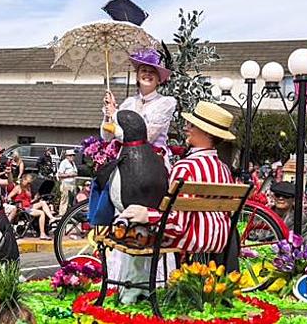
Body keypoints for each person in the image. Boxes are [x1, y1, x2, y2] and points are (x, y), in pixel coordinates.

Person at [122, 101, 238, 256]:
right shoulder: (223, 169)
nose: (186, 128)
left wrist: (146, 215)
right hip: (220, 238)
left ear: (208, 133)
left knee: (128, 233)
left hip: (192, 239)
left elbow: (178, 225)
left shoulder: (185, 167)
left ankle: (137, 280)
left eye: (192, 125)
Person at [101, 48, 177, 158]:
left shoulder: (165, 103)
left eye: (152, 72)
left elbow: (146, 138)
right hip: (126, 158)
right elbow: (107, 137)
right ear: (137, 76)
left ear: (159, 80)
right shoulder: (129, 103)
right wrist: (108, 114)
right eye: (143, 70)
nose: (147, 74)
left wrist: (115, 114)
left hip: (153, 160)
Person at [9, 172, 57, 240]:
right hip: (22, 208)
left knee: (42, 202)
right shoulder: (18, 188)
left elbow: (29, 201)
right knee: (41, 213)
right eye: (28, 183)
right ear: (23, 180)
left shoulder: (28, 188)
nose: (29, 184)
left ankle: (51, 218)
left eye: (30, 183)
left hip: (29, 206)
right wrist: (14, 203)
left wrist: (35, 199)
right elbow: (9, 197)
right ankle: (42, 234)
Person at [56, 149, 79, 216]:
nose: (72, 156)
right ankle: (61, 214)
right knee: (65, 200)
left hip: (72, 184)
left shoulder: (73, 163)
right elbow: (59, 174)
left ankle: (69, 214)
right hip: (66, 183)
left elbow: (75, 173)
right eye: (70, 155)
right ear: (67, 156)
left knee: (71, 200)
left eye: (73, 155)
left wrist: (74, 174)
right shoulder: (64, 163)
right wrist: (69, 175)